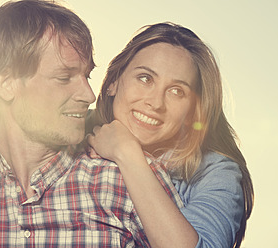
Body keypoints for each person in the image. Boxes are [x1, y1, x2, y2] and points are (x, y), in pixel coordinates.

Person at [0, 1, 182, 247]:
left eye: (86, 75)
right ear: (6, 82)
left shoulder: (128, 177)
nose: (88, 95)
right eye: (64, 77)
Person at [87, 22, 254, 247]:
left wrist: (128, 155)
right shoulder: (71, 131)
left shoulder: (214, 171)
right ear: (113, 83)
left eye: (177, 91)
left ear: (192, 111)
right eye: (145, 78)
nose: (156, 103)